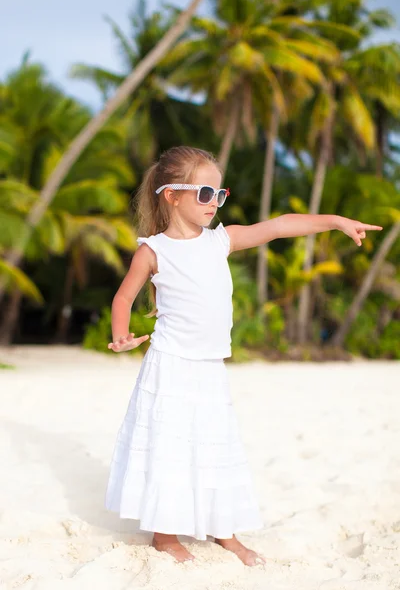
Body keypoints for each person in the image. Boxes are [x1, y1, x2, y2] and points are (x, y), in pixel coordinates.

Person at [104, 146, 382, 566]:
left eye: (220, 194)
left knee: (214, 445)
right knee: (171, 445)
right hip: (171, 364)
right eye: (204, 194)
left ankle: (224, 531)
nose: (213, 203)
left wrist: (334, 222)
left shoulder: (221, 240)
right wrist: (121, 335)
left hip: (210, 366)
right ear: (171, 195)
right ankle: (164, 535)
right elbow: (123, 298)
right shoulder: (154, 250)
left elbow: (277, 226)